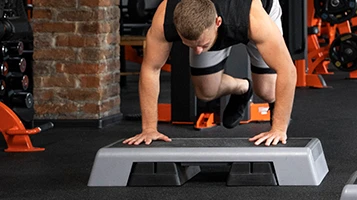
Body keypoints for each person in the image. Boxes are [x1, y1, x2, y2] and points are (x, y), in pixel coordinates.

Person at [123, 0, 297, 146]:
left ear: (217, 23)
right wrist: (149, 129)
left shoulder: (255, 20)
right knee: (206, 91)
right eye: (191, 45)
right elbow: (150, 69)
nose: (198, 51)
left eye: (203, 45)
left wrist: (279, 129)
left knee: (267, 90)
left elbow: (287, 70)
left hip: (249, 13)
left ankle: (276, 110)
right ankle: (243, 87)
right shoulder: (165, 16)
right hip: (213, 22)